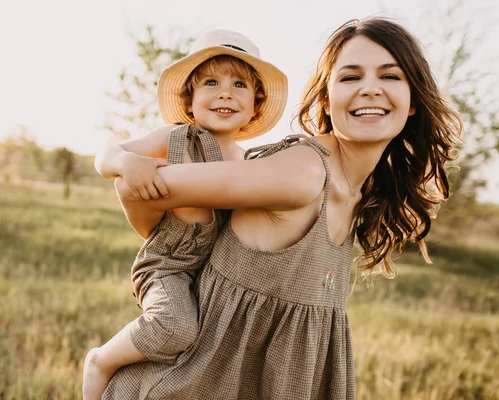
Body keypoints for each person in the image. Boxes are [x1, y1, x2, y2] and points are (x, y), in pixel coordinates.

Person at [98, 17, 462, 399]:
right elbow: (135, 186)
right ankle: (101, 360)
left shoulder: (361, 190)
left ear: (413, 102)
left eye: (390, 76)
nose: (370, 89)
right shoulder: (302, 173)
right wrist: (161, 235)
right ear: (326, 98)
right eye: (350, 77)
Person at [82, 29, 288, 399]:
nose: (225, 92)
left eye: (239, 85)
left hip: (215, 275)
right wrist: (128, 162)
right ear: (189, 101)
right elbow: (105, 156)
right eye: (211, 82)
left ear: (255, 105)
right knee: (175, 326)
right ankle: (101, 361)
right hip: (168, 264)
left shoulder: (250, 164)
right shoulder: (177, 139)